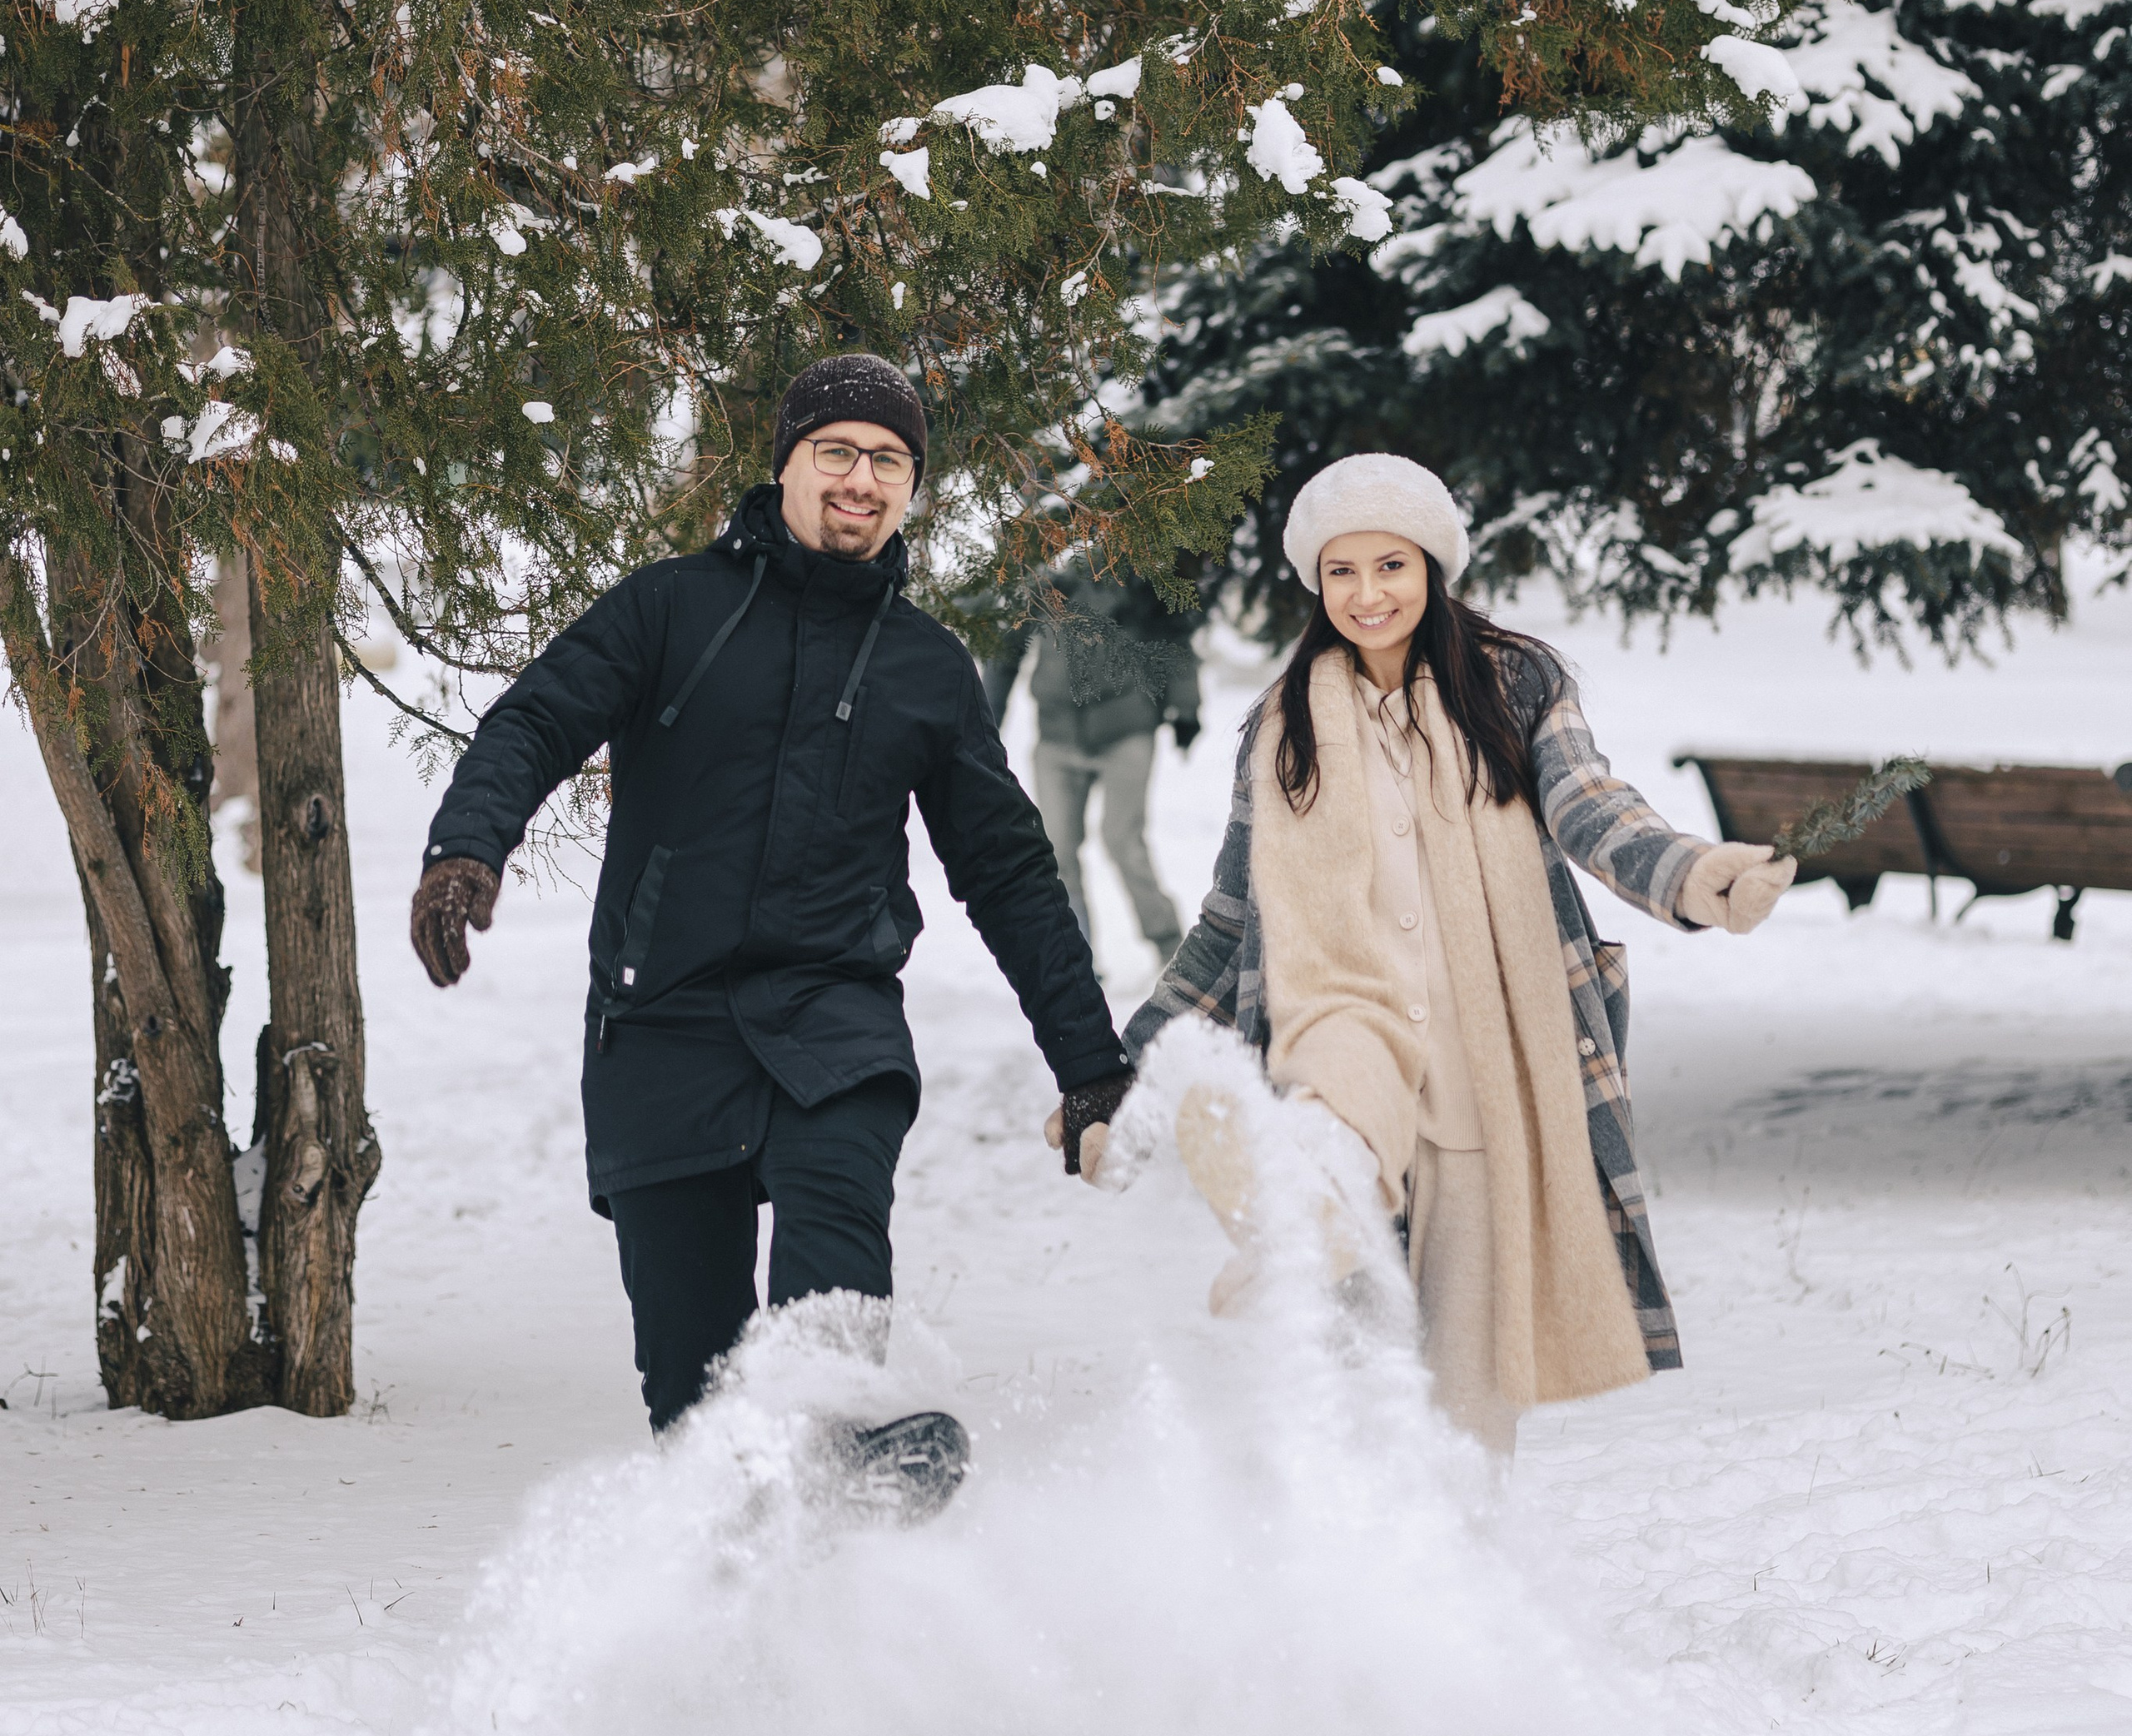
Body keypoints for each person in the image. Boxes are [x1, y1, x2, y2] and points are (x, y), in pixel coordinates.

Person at [409, 354, 1133, 1466]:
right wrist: (467, 847)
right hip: (661, 1022)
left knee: (833, 1261)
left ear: (911, 486)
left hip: (832, 1015)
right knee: (692, 1401)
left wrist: (1088, 1059)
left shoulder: (925, 667)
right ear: (787, 464)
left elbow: (1009, 869)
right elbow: (536, 721)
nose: (861, 478)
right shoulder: (672, 608)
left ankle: (844, 1444)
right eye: (836, 451)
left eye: (889, 460)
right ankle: (744, 1586)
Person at [1104, 452, 1795, 1460]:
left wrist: (1691, 875)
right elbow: (1226, 920)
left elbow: (1587, 805)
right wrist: (1121, 1071)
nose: (1367, 593)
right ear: (1315, 581)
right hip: (1342, 1031)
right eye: (1341, 571)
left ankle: (1453, 1579)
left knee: (1465, 1409)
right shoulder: (1281, 723)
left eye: (1390, 565)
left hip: (1485, 1072)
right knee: (1348, 1367)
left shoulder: (1510, 682)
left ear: (1431, 566)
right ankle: (1298, 1217)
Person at [983, 557, 1203, 958]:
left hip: (1126, 730)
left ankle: (1170, 946)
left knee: (1123, 841)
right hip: (1057, 738)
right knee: (1057, 851)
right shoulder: (1043, 582)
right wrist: (985, 723)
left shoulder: (1139, 579)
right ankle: (1076, 955)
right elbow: (1006, 654)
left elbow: (1174, 642)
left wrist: (1186, 710)